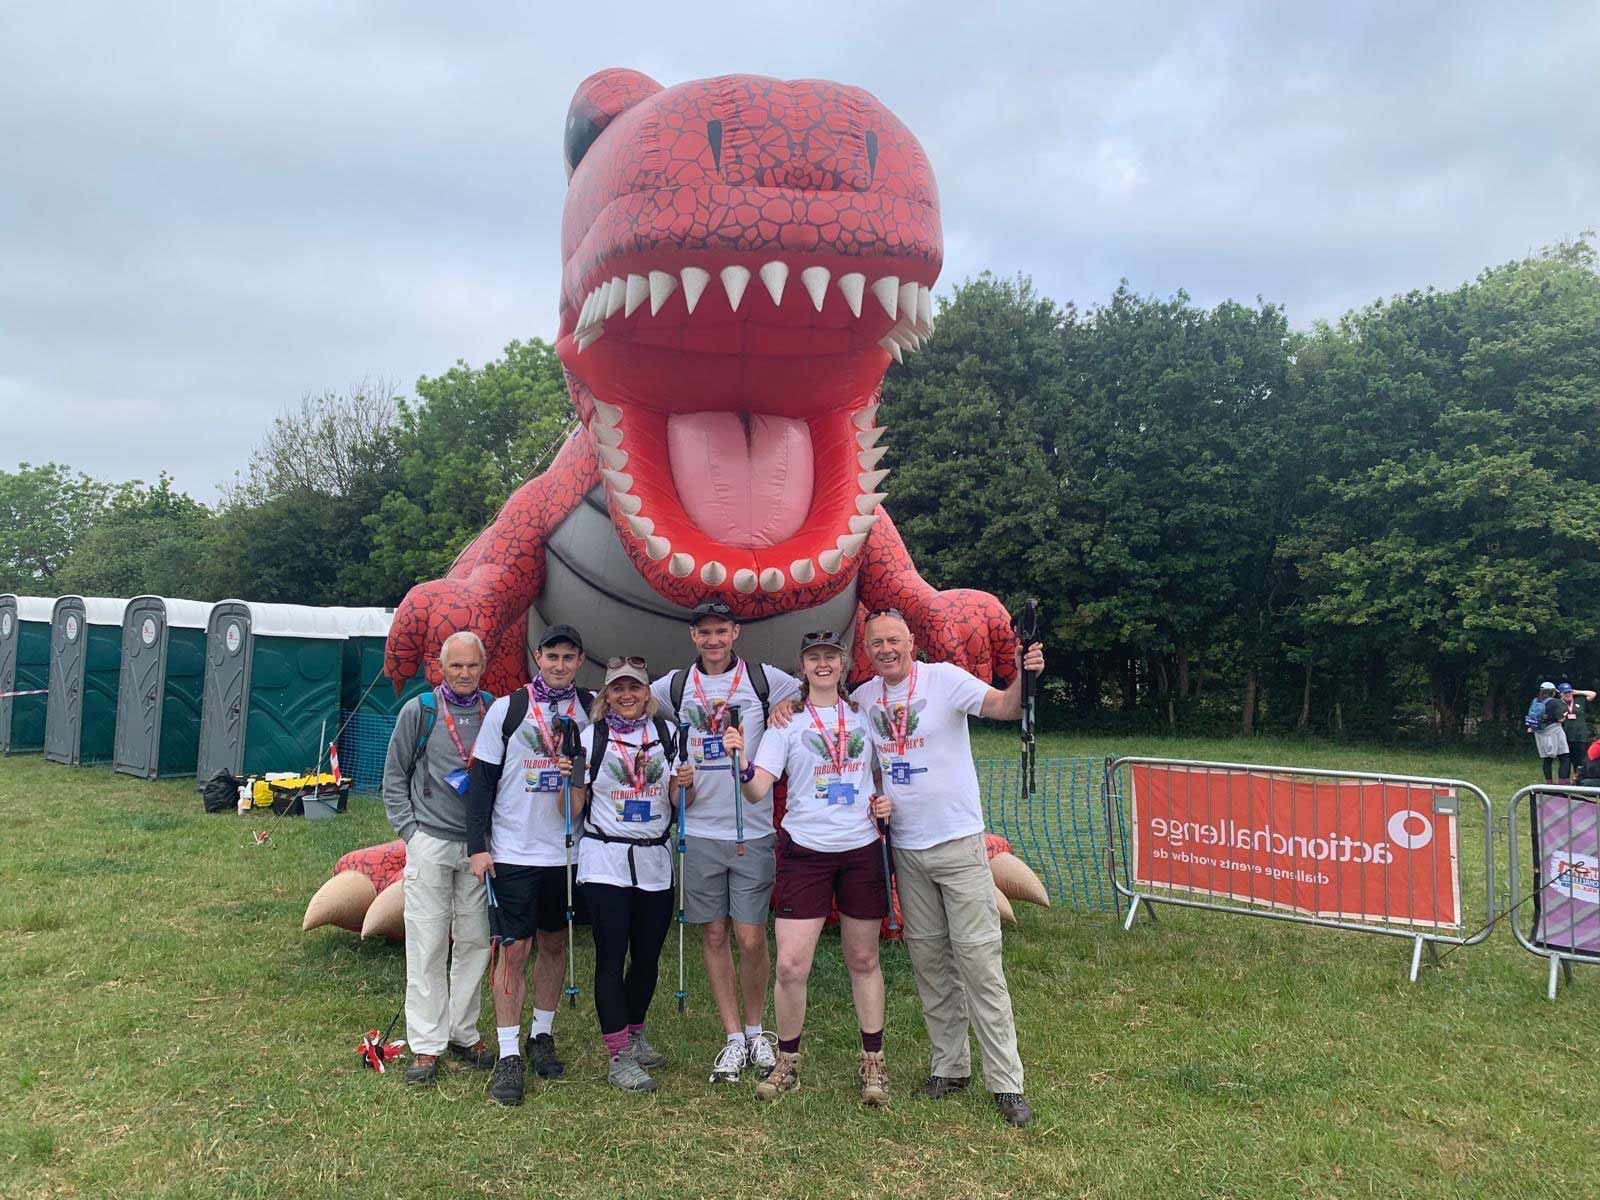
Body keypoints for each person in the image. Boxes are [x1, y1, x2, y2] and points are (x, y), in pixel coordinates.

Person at [850, 608, 1042, 1128]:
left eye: (894, 640)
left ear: (910, 641)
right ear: (865, 650)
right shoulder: (864, 700)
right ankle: (950, 1067)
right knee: (930, 964)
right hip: (907, 852)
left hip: (959, 844)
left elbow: (1004, 707)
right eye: (876, 643)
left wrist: (1025, 675)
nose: (886, 649)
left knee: (980, 964)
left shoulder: (945, 679)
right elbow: (842, 747)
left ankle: (1006, 1082)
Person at [721, 630, 895, 1106]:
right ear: (802, 665)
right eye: (813, 657)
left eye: (830, 657)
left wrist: (885, 801)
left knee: (863, 960)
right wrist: (739, 761)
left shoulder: (865, 714)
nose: (823, 664)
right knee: (792, 965)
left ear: (842, 664)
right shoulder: (787, 722)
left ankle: (873, 1064)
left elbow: (886, 769)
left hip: (860, 848)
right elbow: (758, 790)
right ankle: (788, 1062)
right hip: (805, 850)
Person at [651, 600, 800, 1083]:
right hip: (697, 828)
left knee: (751, 937)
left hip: (750, 829)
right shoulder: (674, 686)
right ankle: (734, 1036)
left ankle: (758, 1032)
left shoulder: (763, 678)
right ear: (693, 637)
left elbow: (815, 688)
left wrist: (788, 702)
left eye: (721, 631)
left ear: (735, 632)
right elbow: (626, 702)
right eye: (704, 633)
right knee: (713, 934)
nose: (713, 640)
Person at [465, 624, 592, 1106]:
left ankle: (541, 1033)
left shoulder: (589, 708)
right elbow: (481, 781)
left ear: (580, 661)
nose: (560, 665)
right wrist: (478, 845)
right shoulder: (509, 707)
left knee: (555, 945)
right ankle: (507, 1053)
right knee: (513, 951)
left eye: (569, 657)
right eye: (552, 656)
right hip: (515, 851)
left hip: (565, 851)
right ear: (538, 657)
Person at [562, 655, 694, 1092]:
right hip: (606, 860)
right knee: (611, 955)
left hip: (654, 861)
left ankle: (635, 1034)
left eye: (634, 687)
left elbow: (679, 805)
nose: (626, 695)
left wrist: (684, 785)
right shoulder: (588, 738)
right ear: (606, 695)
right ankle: (618, 1056)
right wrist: (568, 781)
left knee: (648, 956)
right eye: (617, 688)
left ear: (647, 693)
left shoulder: (668, 735)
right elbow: (575, 808)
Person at [381, 630, 497, 1086]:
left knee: (473, 940)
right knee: (427, 942)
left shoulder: (496, 710)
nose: (464, 674)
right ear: (440, 668)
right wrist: (411, 834)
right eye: (456, 666)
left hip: (479, 848)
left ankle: (463, 1033)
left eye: (472, 665)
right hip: (429, 839)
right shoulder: (420, 711)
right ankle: (426, 1045)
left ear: (482, 667)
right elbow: (394, 775)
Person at [1526, 681, 1572, 783]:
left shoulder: (1535, 701)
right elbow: (1560, 719)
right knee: (1564, 757)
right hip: (1555, 732)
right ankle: (1562, 784)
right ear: (1552, 691)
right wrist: (1564, 716)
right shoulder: (1554, 702)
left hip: (1540, 733)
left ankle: (1548, 783)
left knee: (1547, 760)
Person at [1558, 682, 1598, 770]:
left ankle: (1578, 779)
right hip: (1565, 735)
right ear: (1560, 694)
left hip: (1580, 735)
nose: (1568, 694)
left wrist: (1577, 692)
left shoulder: (1579, 700)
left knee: (1580, 760)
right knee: (1566, 760)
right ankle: (1565, 781)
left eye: (1569, 692)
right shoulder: (1557, 703)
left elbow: (1593, 694)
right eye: (1565, 693)